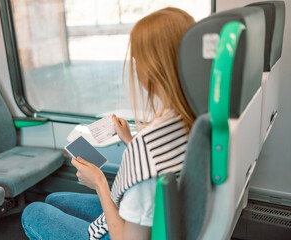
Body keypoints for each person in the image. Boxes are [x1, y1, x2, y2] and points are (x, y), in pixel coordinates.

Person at [22, 7, 195, 240]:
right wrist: (129, 140)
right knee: (53, 199)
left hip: (123, 233)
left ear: (152, 67)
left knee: (32, 212)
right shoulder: (192, 119)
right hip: (157, 220)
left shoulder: (146, 146)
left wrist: (100, 183)